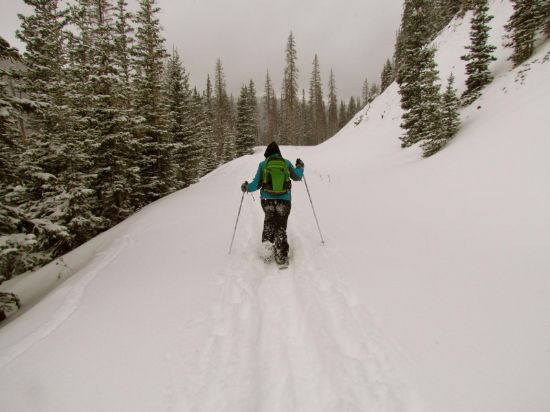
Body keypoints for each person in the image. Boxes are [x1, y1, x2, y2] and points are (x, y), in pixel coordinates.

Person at [241, 142, 304, 266]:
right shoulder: (286, 163)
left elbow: (256, 184)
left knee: (269, 223)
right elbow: (297, 177)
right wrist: (300, 166)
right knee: (280, 226)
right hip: (284, 200)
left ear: (267, 154)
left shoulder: (263, 164)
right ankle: (281, 257)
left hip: (267, 201)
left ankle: (267, 254)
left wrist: (246, 187)